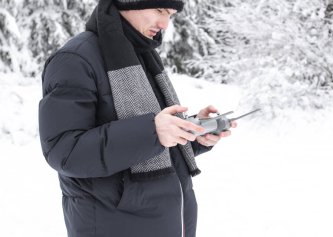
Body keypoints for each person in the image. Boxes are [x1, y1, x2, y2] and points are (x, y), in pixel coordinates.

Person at [38, 0, 237, 236]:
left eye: (171, 14)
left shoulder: (141, 55)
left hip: (169, 223)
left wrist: (191, 132)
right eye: (159, 10)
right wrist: (153, 132)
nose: (165, 23)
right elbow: (65, 152)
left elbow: (153, 144)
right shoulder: (74, 60)